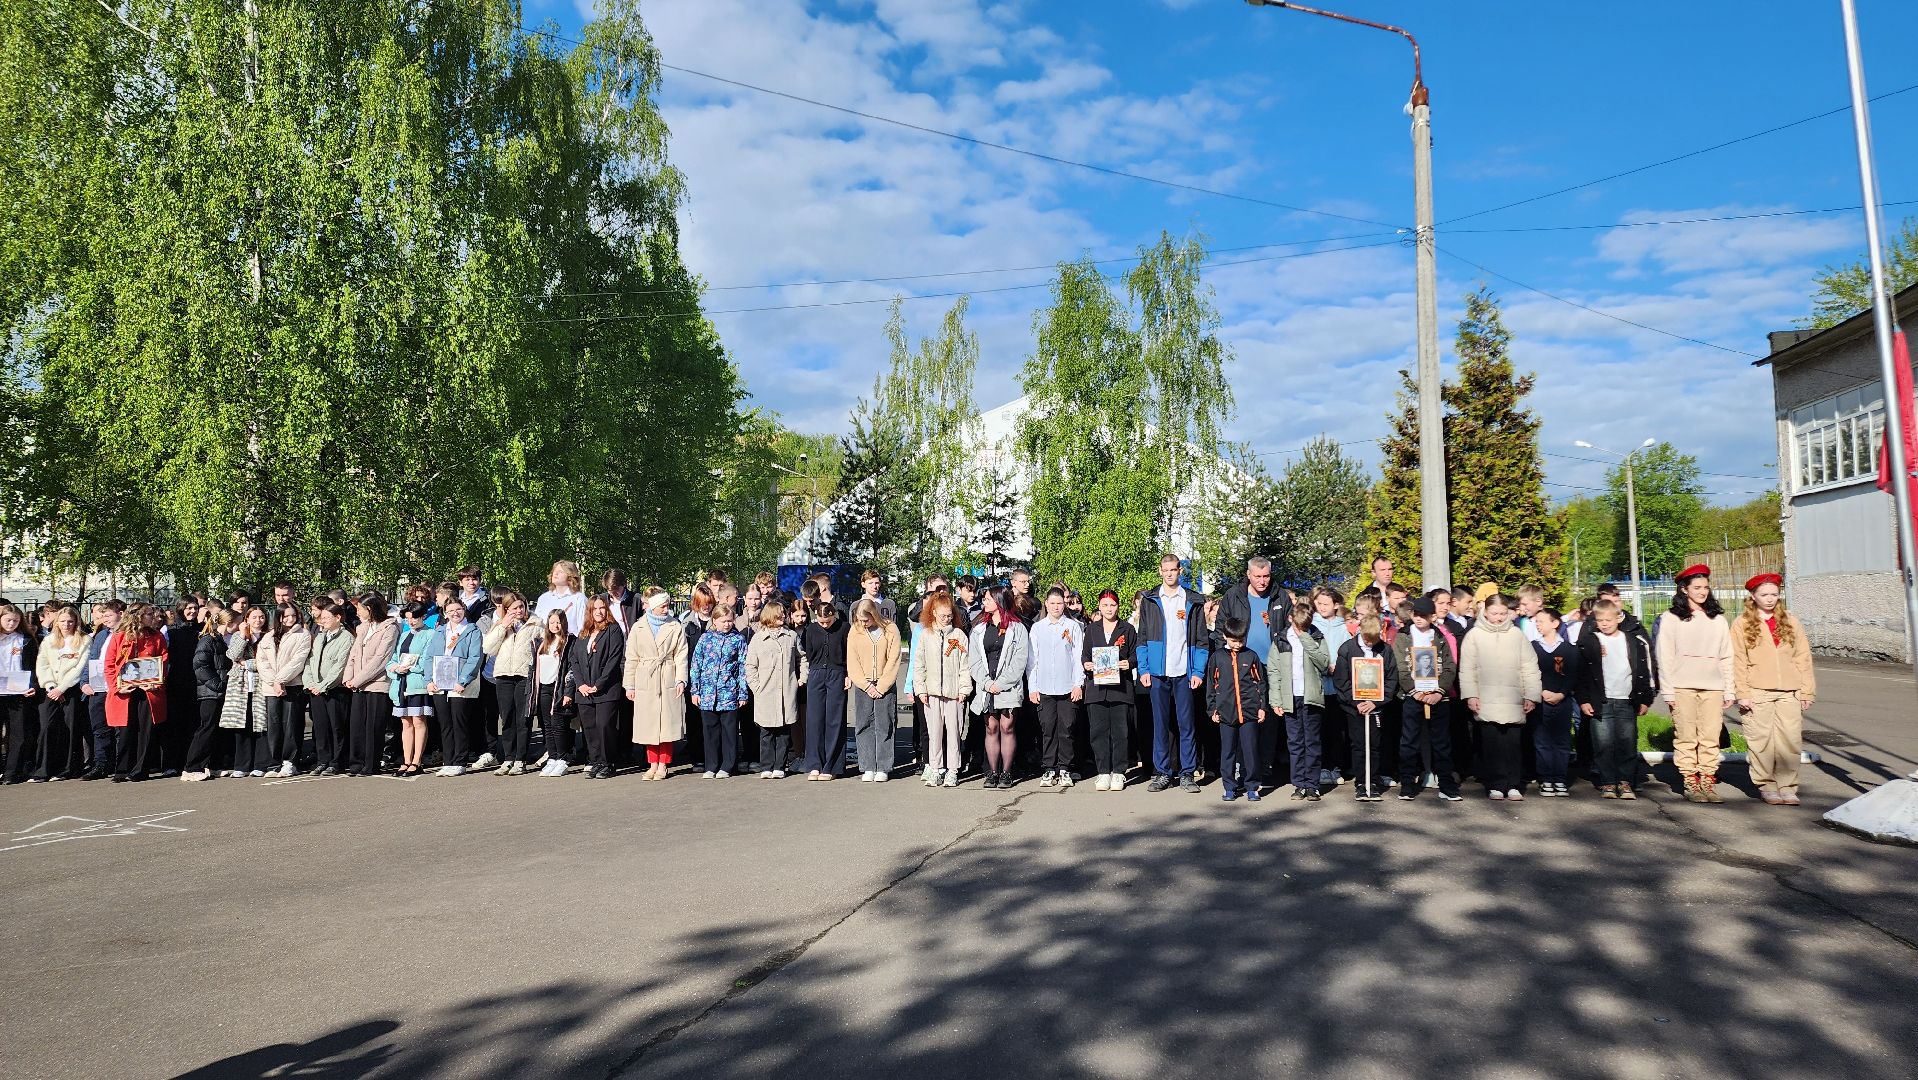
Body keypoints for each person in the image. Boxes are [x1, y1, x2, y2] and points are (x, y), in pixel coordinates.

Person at [1731, 573, 1816, 807]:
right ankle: (1766, 785)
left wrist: (1807, 690)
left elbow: (1803, 657)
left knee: (1790, 741)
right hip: (1757, 691)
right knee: (1761, 741)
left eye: (1774, 594)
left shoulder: (1790, 621)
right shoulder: (1742, 624)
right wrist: (1743, 692)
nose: (1769, 599)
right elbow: (1737, 660)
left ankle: (1788, 786)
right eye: (1764, 594)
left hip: (1790, 691)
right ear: (1753, 596)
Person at [1657, 565, 1735, 804]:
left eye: (1706, 588)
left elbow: (1727, 656)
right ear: (1684, 589)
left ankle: (1708, 780)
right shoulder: (1671, 619)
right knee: (1687, 736)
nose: (1702, 592)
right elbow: (1665, 656)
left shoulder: (1718, 620)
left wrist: (1729, 688)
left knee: (1710, 737)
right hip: (1682, 687)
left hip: (1713, 687)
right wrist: (1668, 689)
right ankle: (1690, 780)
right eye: (1697, 587)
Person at [1138, 554, 1210, 793]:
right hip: (1158, 673)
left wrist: (1198, 670)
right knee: (1160, 725)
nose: (1169, 574)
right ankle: (1162, 773)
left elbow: (1201, 640)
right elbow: (1143, 637)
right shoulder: (1150, 599)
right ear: (1160, 571)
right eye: (1165, 570)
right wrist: (1145, 668)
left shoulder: (1192, 600)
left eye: (1173, 570)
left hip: (1184, 673)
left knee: (1186, 724)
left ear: (1180, 571)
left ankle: (1187, 773)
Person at [1459, 594, 1541, 801]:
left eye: (1503, 613)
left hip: (1514, 698)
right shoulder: (1474, 635)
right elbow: (1467, 669)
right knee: (1491, 745)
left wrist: (1531, 695)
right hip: (1486, 699)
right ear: (1485, 612)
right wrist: (1470, 695)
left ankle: (1513, 784)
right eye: (1494, 613)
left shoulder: (1516, 635)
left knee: (1513, 745)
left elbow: (1530, 667)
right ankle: (1495, 784)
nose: (1499, 618)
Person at [1575, 599, 1655, 800]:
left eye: (1608, 619)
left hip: (1626, 700)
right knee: (1603, 743)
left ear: (1619, 618)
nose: (1604, 623)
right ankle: (1608, 782)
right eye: (1600, 620)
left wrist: (1645, 698)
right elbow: (1581, 674)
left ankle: (1626, 781)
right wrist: (1584, 700)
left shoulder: (1633, 641)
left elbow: (1643, 672)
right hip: (1600, 701)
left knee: (1627, 742)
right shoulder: (1589, 641)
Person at [1390, 596, 1460, 802]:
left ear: (1432, 616)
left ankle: (1446, 785)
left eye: (1423, 615)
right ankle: (1408, 785)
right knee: (1409, 742)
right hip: (1413, 697)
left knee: (1442, 742)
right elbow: (1400, 668)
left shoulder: (1439, 637)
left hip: (1438, 697)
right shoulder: (1403, 637)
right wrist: (1415, 691)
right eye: (1415, 614)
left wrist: (1439, 691)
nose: (1419, 618)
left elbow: (1449, 667)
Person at [621, 588, 686, 781]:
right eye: (663, 606)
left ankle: (664, 764)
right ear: (654, 606)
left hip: (667, 674)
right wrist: (630, 685)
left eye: (667, 606)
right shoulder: (638, 627)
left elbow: (681, 655)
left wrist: (680, 679)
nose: (667, 609)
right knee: (649, 725)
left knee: (666, 725)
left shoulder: (675, 626)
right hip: (646, 678)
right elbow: (631, 657)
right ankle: (652, 764)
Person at [1269, 600, 1332, 801]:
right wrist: (1276, 700)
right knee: (1295, 743)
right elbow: (1273, 670)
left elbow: (1323, 663)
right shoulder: (1280, 639)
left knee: (1312, 742)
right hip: (1290, 697)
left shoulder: (1316, 636)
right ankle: (1299, 784)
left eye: (1304, 627)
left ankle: (1312, 785)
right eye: (1298, 626)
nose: (1300, 630)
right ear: (1290, 619)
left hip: (1311, 696)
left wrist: (1305, 637)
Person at [1333, 613, 1397, 802]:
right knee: (1359, 745)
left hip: (1376, 707)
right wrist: (1356, 703)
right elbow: (1341, 681)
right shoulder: (1347, 649)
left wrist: (1375, 702)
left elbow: (1391, 679)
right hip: (1355, 709)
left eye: (1374, 639)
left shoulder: (1385, 650)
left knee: (1375, 746)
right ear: (1360, 630)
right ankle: (1361, 783)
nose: (1370, 643)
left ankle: (1373, 781)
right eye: (1367, 639)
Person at [968, 586, 1028, 789]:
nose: (984, 602)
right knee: (991, 727)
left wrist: (1001, 684)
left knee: (1006, 727)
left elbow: (1020, 660)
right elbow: (974, 660)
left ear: (999, 601)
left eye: (987, 599)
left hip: (1007, 686)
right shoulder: (978, 629)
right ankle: (992, 772)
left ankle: (1006, 773)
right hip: (987, 685)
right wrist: (986, 683)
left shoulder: (1017, 627)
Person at [1026, 587, 1085, 788]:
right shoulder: (1038, 628)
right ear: (1046, 604)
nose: (1056, 607)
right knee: (1048, 728)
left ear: (1064, 604)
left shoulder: (1073, 626)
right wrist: (1032, 687)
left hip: (1067, 687)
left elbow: (1078, 657)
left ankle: (1065, 768)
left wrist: (1078, 683)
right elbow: (1032, 661)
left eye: (1059, 603)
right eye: (1052, 603)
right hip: (1044, 687)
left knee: (1066, 729)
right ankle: (1049, 768)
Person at [105, 602, 169, 782]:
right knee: (125, 730)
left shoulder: (156, 636)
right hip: (125, 690)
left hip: (149, 690)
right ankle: (122, 769)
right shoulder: (119, 636)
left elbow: (163, 661)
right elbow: (109, 664)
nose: (153, 617)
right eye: (149, 614)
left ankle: (141, 770)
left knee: (146, 731)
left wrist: (156, 682)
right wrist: (117, 687)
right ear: (138, 616)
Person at [1205, 615, 1267, 802]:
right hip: (1226, 713)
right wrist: (1212, 709)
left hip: (1249, 712)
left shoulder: (1251, 656)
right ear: (1225, 636)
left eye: (1241, 640)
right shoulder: (1217, 658)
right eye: (1234, 641)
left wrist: (1262, 707)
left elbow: (1260, 684)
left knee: (1250, 751)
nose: (1238, 644)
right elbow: (1211, 685)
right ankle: (1229, 787)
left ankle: (1252, 786)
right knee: (1228, 752)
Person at [914, 592, 972, 789]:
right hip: (931, 693)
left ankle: (953, 770)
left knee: (954, 733)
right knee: (934, 733)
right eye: (942, 615)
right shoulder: (925, 635)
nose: (946, 619)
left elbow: (965, 665)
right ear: (933, 613)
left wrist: (964, 689)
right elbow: (919, 664)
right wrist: (920, 689)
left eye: (949, 615)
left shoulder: (959, 636)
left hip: (954, 693)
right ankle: (936, 768)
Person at [1081, 590, 1135, 792]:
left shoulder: (1127, 629)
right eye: (1105, 605)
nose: (1109, 609)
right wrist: (1087, 664)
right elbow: (1085, 654)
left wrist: (1127, 663)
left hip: (1120, 689)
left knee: (1121, 732)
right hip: (1097, 688)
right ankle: (1103, 771)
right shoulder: (1091, 629)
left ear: (1118, 606)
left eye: (1112, 605)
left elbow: (1136, 655)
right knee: (1098, 732)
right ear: (1099, 606)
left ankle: (1119, 772)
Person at [570, 595, 628, 780]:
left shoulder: (613, 630)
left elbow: (614, 659)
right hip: (584, 691)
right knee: (589, 728)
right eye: (594, 609)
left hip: (606, 689)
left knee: (604, 726)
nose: (599, 612)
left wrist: (599, 684)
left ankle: (607, 763)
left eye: (602, 608)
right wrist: (581, 684)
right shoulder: (584, 633)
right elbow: (575, 660)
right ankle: (595, 762)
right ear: (589, 611)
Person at [689, 600, 749, 779]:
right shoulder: (705, 638)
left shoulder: (738, 640)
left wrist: (742, 692)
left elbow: (743, 667)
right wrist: (695, 691)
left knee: (729, 732)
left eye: (730, 621)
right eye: (723, 621)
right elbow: (696, 664)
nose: (727, 624)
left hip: (729, 693)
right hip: (707, 694)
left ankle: (728, 765)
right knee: (710, 732)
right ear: (714, 621)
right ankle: (711, 765)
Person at [484, 591, 542, 775]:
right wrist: (502, 627)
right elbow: (488, 648)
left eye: (521, 606)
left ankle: (520, 759)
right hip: (503, 676)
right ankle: (508, 758)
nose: (519, 611)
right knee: (507, 717)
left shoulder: (536, 623)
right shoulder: (500, 625)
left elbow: (543, 648)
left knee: (523, 719)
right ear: (506, 609)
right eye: (514, 608)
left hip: (524, 675)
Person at [745, 600, 803, 779]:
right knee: (766, 732)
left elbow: (802, 659)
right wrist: (756, 688)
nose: (784, 616)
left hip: (786, 691)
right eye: (780, 614)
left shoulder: (791, 636)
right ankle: (766, 766)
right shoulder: (758, 638)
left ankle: (780, 766)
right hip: (766, 692)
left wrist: (801, 680)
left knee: (784, 733)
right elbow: (750, 666)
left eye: (784, 614)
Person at [342, 593, 398, 777]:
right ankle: (356, 763)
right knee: (357, 725)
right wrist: (348, 677)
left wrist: (357, 679)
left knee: (374, 726)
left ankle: (370, 764)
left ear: (370, 609)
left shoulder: (389, 628)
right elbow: (354, 654)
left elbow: (380, 659)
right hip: (357, 684)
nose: (356, 612)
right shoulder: (362, 628)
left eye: (359, 608)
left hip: (377, 684)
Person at [846, 598, 901, 782]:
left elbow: (894, 659)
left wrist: (882, 686)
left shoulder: (890, 629)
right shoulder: (855, 630)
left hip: (884, 684)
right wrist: (866, 685)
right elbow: (852, 661)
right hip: (864, 685)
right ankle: (867, 766)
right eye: (860, 620)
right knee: (863, 724)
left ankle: (883, 766)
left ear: (874, 615)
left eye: (866, 620)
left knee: (885, 724)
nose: (863, 623)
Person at [33, 605, 89, 781]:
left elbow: (80, 667)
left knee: (70, 729)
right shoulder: (48, 641)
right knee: (47, 727)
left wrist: (62, 688)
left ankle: (67, 769)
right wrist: (50, 686)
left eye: (70, 621)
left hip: (70, 690)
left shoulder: (84, 640)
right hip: (49, 690)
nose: (67, 624)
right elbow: (42, 664)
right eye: (63, 621)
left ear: (76, 622)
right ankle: (43, 769)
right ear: (57, 622)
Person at [798, 594, 850, 781]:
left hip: (837, 673)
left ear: (834, 615)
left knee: (834, 720)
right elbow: (808, 652)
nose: (824, 625)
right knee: (814, 720)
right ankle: (814, 765)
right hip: (817, 674)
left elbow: (848, 652)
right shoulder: (811, 629)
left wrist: (847, 674)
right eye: (821, 622)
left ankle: (831, 765)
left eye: (827, 622)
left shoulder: (844, 628)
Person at [1531, 608, 1582, 797]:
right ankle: (1545, 778)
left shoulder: (1569, 649)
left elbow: (1573, 674)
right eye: (1536, 622)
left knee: (1561, 740)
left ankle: (1559, 778)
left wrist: (1562, 693)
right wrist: (1542, 691)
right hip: (1541, 699)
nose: (1538, 624)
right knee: (1542, 740)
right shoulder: (1533, 647)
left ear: (1555, 623)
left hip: (1563, 700)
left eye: (1541, 621)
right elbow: (1530, 672)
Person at [257, 603, 312, 778]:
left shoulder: (303, 635)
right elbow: (262, 661)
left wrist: (281, 680)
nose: (289, 619)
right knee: (273, 725)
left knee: (291, 724)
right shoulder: (269, 636)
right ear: (278, 616)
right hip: (271, 687)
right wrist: (274, 681)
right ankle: (274, 762)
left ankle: (290, 762)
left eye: (293, 615)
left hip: (292, 685)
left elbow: (298, 661)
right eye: (285, 616)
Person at [303, 600, 355, 777]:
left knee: (337, 727)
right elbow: (310, 661)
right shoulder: (319, 637)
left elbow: (340, 667)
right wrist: (310, 682)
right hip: (316, 689)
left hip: (334, 690)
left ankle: (337, 761)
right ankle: (322, 760)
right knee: (321, 727)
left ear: (338, 617)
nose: (322, 620)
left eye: (326, 617)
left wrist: (323, 685)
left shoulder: (346, 638)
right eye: (321, 617)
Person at [182, 609, 235, 781]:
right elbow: (200, 666)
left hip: (217, 692)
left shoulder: (219, 640)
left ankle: (212, 764)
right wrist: (218, 685)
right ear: (228, 623)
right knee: (206, 728)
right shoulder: (208, 640)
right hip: (210, 693)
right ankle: (191, 767)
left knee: (217, 729)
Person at [220, 606, 270, 776]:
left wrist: (246, 663)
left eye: (261, 617)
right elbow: (233, 655)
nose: (258, 620)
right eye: (254, 617)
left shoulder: (269, 637)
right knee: (241, 725)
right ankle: (241, 765)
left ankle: (260, 764)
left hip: (261, 684)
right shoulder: (237, 636)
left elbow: (267, 662)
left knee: (260, 725)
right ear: (246, 619)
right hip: (240, 685)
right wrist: (242, 636)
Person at [385, 603, 434, 777]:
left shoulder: (430, 634)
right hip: (401, 683)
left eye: (414, 617)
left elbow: (428, 659)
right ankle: (406, 761)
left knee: (419, 721)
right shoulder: (404, 634)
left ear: (422, 617)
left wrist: (410, 667)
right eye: (408, 618)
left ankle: (417, 761)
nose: (411, 621)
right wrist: (396, 668)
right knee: (405, 723)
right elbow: (392, 658)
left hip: (417, 684)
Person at [1310, 587, 1351, 789]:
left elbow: (1348, 652)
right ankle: (1322, 768)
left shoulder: (1343, 628)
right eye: (1319, 603)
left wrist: (1338, 667)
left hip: (1337, 688)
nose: (1322, 607)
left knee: (1337, 730)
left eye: (1326, 604)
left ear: (1336, 605)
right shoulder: (1311, 626)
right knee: (1319, 730)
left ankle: (1335, 767)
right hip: (1317, 687)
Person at [80, 600, 125, 781]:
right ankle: (100, 765)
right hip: (98, 689)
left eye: (108, 615)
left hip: (118, 688)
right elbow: (90, 660)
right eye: (103, 616)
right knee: (100, 728)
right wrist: (84, 682)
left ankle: (120, 765)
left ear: (121, 614)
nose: (104, 619)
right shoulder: (100, 636)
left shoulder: (128, 635)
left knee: (119, 730)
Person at [530, 609, 577, 776]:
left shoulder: (570, 641)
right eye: (552, 623)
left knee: (559, 725)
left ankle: (563, 758)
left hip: (559, 689)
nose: (555, 626)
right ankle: (553, 757)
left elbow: (572, 669)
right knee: (547, 726)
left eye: (558, 622)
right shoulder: (543, 643)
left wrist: (568, 692)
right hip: (543, 688)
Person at [0, 602, 41, 784]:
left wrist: (34, 685)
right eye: (8, 620)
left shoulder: (26, 639)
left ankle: (11, 772)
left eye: (16, 621)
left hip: (19, 693)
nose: (11, 624)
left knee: (18, 734)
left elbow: (34, 667)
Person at [534, 560, 588, 634]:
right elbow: (536, 626)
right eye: (554, 571)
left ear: (570, 576)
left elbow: (582, 629)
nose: (555, 574)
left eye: (560, 572)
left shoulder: (579, 599)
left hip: (569, 644)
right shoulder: (543, 598)